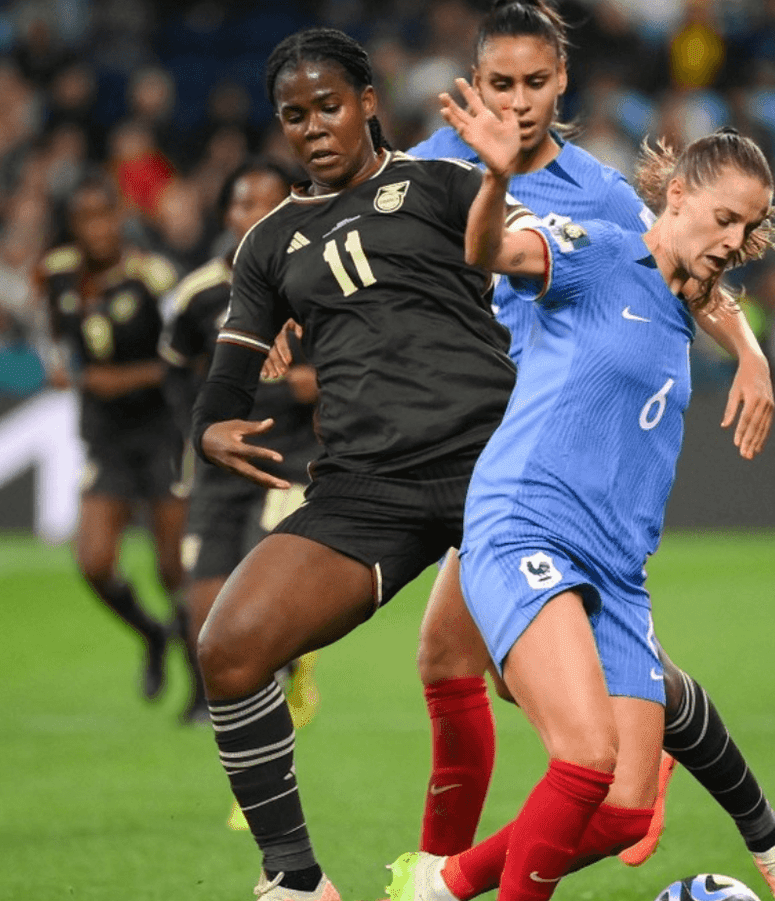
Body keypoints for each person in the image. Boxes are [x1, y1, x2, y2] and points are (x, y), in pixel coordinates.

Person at [401, 3, 775, 897]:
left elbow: (683, 267)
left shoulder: (602, 201)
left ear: (563, 84)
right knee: (462, 664)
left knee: (547, 718)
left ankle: (446, 873)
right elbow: (352, 251)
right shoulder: (426, 169)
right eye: (501, 84)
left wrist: (750, 352)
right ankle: (437, 873)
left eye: (535, 83)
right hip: (490, 450)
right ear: (475, 86)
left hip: (556, 448)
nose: (518, 103)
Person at [189, 27, 550, 901]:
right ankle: (295, 880)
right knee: (229, 648)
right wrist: (212, 426)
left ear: (367, 103)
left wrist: (504, 185)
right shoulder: (270, 242)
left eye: (328, 106)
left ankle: (760, 822)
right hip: (366, 493)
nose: (313, 127)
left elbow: (530, 256)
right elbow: (229, 372)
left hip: (490, 473)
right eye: (293, 116)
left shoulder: (438, 185)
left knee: (569, 688)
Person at [159, 159, 323, 828]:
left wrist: (318, 381)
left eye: (266, 201)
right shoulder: (198, 292)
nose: (252, 212)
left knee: (260, 611)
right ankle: (290, 679)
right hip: (221, 471)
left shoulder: (312, 276)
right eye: (240, 203)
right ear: (226, 213)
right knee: (209, 624)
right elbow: (174, 371)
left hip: (290, 459)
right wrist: (195, 434)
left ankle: (257, 784)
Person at [39, 176, 187, 705]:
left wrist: (119, 379)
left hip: (162, 432)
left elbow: (184, 357)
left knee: (174, 568)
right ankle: (151, 634)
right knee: (95, 563)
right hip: (106, 438)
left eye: (105, 216)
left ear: (119, 218)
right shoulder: (57, 274)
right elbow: (52, 331)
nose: (96, 229)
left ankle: (198, 685)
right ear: (73, 225)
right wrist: (57, 362)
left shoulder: (155, 277)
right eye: (85, 219)